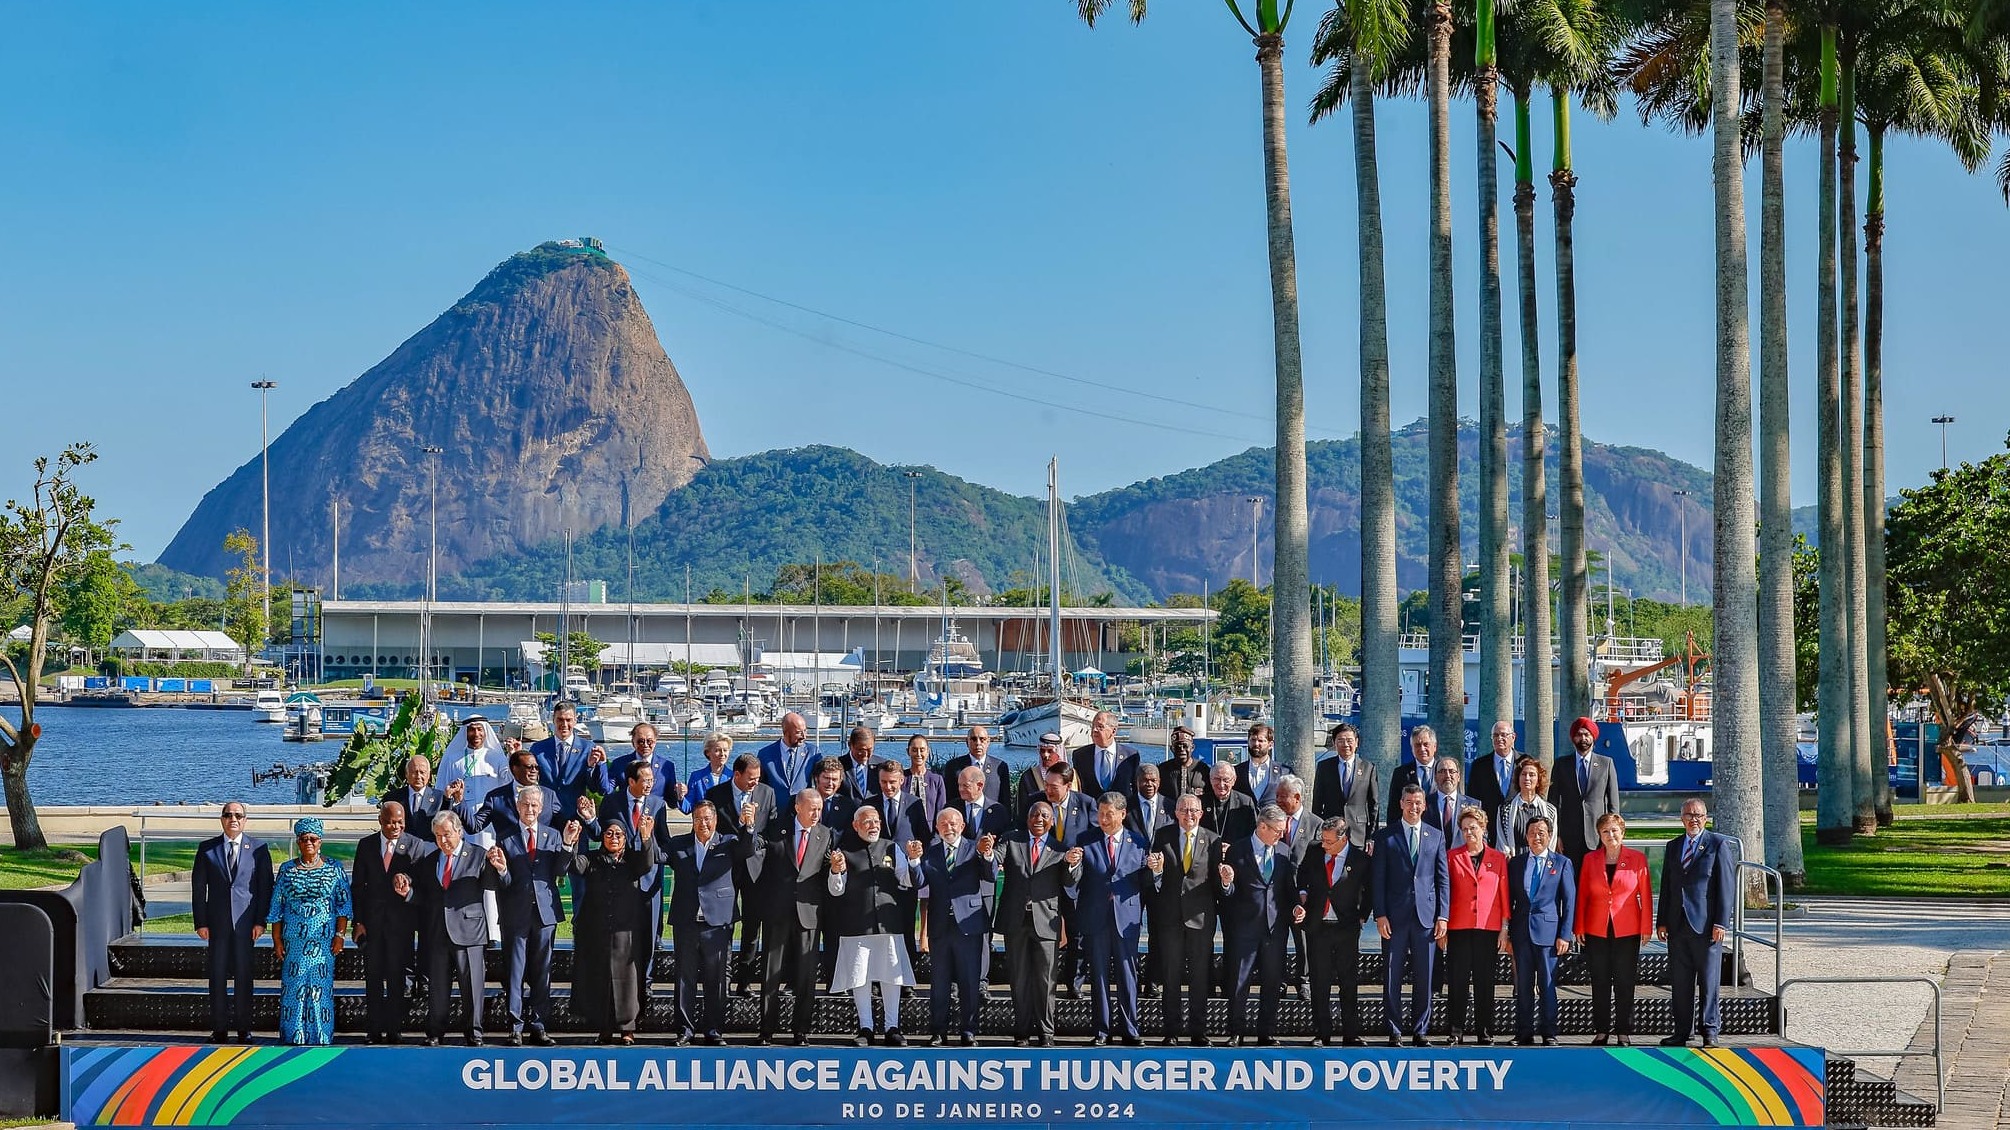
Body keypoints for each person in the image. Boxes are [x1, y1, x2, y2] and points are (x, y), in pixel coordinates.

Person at [399, 811, 505, 1046]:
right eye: (438, 836)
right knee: (437, 987)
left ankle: (474, 1034)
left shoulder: (478, 855)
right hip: (438, 932)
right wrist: (408, 894)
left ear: (459, 831)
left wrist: (499, 868)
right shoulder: (430, 860)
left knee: (472, 988)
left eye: (446, 835)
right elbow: (425, 896)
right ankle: (435, 1032)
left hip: (469, 932)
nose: (443, 840)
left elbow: (493, 885)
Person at [664, 799, 763, 1045]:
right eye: (698, 819)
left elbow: (748, 849)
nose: (703, 823)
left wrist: (749, 826)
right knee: (684, 978)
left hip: (717, 922)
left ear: (715, 820)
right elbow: (657, 855)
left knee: (717, 978)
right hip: (686, 921)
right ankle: (685, 1030)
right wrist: (645, 837)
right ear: (692, 821)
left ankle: (713, 1029)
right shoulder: (679, 844)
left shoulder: (729, 843)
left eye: (708, 818)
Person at [828, 805, 918, 1046]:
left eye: (876, 821)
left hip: (889, 924)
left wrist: (913, 860)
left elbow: (907, 880)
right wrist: (836, 872)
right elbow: (836, 890)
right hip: (856, 925)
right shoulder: (844, 851)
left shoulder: (891, 847)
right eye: (867, 822)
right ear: (856, 825)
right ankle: (865, 1027)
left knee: (891, 976)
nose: (873, 826)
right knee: (860, 977)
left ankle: (892, 1027)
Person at [1067, 793, 1151, 1046]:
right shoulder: (1086, 840)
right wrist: (1072, 865)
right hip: (1096, 917)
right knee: (1099, 976)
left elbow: (1146, 883)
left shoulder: (1139, 842)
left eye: (1108, 814)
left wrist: (1155, 870)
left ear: (1122, 814)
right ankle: (1102, 1030)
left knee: (1128, 975)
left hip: (1126, 919)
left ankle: (1130, 1028)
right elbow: (1074, 879)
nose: (1103, 819)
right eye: (1100, 814)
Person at [495, 789, 577, 1046]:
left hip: (545, 912)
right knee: (515, 971)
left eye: (534, 805)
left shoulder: (552, 835)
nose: (530, 809)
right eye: (525, 805)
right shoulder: (505, 837)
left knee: (543, 972)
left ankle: (539, 1025)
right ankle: (515, 1026)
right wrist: (502, 869)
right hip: (515, 912)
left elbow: (560, 870)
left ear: (541, 808)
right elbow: (505, 882)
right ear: (517, 807)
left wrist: (566, 845)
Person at [1217, 805, 1303, 1046]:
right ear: (1262, 826)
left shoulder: (1283, 852)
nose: (1280, 835)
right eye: (1277, 830)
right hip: (1244, 928)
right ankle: (1236, 1032)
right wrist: (1226, 883)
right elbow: (1229, 892)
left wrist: (1297, 906)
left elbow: (1288, 887)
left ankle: (1267, 1032)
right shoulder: (1238, 849)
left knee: (1273, 982)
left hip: (1275, 928)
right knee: (1239, 983)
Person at [569, 817, 659, 1044]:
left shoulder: (631, 860)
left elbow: (646, 864)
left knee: (627, 982)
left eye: (618, 834)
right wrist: (571, 842)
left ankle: (627, 1028)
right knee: (601, 980)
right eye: (609, 834)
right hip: (597, 931)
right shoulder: (592, 859)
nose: (614, 838)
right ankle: (604, 1027)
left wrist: (646, 838)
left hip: (626, 932)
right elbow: (575, 866)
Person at [755, 789, 835, 1044]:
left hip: (808, 914)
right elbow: (760, 863)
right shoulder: (776, 830)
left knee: (806, 976)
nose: (816, 814)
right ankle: (766, 1030)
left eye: (819, 809)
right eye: (812, 808)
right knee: (771, 974)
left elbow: (824, 872)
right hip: (777, 912)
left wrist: (836, 869)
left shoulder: (825, 834)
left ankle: (801, 1031)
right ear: (798, 807)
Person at [1372, 784, 1449, 1047]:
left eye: (1418, 803)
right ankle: (1394, 1029)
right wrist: (1380, 914)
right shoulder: (1386, 836)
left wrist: (1443, 916)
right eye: (1409, 802)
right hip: (1394, 917)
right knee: (1392, 975)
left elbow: (1442, 880)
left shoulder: (1435, 836)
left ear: (1424, 805)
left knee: (1424, 976)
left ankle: (1420, 1030)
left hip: (1426, 917)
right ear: (1401, 804)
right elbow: (1378, 879)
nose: (1413, 807)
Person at [1657, 798, 1736, 1048]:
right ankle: (1682, 1031)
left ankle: (1710, 1030)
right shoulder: (1673, 846)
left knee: (1708, 981)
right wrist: (1661, 921)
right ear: (1682, 818)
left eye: (1699, 815)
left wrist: (1721, 922)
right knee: (1680, 982)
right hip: (1677, 925)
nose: (1694, 819)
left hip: (1706, 926)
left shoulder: (1717, 844)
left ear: (1706, 818)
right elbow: (1667, 886)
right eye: (1689, 815)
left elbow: (1726, 886)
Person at [192, 801, 273, 1043]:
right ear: (221, 819)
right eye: (228, 815)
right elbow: (198, 890)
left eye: (238, 815)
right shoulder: (207, 849)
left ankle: (244, 1027)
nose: (233, 819)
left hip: (246, 926)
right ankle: (219, 1028)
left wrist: (261, 921)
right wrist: (200, 923)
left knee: (244, 975)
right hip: (216, 925)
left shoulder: (258, 848)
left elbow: (265, 888)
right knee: (216, 976)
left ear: (245, 819)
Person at [268, 818, 350, 1046]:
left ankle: (321, 1036)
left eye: (313, 839)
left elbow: (343, 905)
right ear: (298, 842)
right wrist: (276, 939)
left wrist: (340, 935)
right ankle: (294, 1035)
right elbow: (277, 906)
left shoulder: (334, 868)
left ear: (320, 841)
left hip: (323, 942)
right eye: (303, 839)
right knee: (294, 988)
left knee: (319, 989)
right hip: (294, 941)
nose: (308, 843)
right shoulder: (287, 869)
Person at [705, 753, 780, 996]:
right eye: (750, 778)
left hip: (755, 869)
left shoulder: (766, 793)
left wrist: (752, 838)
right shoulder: (716, 795)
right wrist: (738, 831)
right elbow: (711, 833)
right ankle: (721, 979)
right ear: (736, 775)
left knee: (751, 926)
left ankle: (745, 980)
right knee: (723, 924)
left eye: (758, 778)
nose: (755, 783)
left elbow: (771, 832)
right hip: (725, 868)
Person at [1000, 802, 1075, 1046]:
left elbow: (1069, 883)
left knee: (1046, 981)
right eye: (1034, 814)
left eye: (1044, 815)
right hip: (1016, 921)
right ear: (1027, 818)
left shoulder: (1061, 849)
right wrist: (987, 853)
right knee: (1019, 979)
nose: (1039, 819)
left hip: (1047, 922)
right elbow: (992, 862)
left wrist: (1072, 864)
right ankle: (1021, 1032)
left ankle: (1046, 1033)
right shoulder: (1012, 840)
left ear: (1052, 821)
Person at [920, 808, 996, 1046]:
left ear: (962, 826)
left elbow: (990, 875)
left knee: (970, 981)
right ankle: (938, 1031)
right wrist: (913, 861)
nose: (948, 828)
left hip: (969, 923)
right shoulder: (930, 853)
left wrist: (988, 855)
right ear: (937, 828)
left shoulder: (975, 848)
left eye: (953, 823)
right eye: (943, 824)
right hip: (940, 926)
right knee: (939, 982)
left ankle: (968, 1029)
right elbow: (919, 881)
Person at [596, 760, 672, 992]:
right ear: (631, 781)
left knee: (648, 935)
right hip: (620, 881)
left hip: (649, 882)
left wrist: (649, 845)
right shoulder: (612, 802)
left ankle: (645, 983)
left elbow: (664, 844)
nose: (650, 784)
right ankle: (617, 981)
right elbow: (603, 837)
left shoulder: (658, 804)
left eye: (652, 780)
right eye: (645, 780)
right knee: (619, 935)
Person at [1577, 812, 1652, 1046]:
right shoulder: (1590, 859)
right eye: (1605, 831)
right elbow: (1582, 896)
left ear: (1623, 833)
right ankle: (1601, 1030)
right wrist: (1578, 925)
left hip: (1627, 928)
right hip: (1596, 928)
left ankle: (1623, 1031)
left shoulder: (1637, 859)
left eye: (1614, 831)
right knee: (1599, 980)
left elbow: (1645, 895)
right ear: (1599, 835)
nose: (1610, 835)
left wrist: (1646, 927)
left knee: (1625, 980)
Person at [1150, 794, 1220, 1046]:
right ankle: (1171, 1030)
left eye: (1193, 810)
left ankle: (1198, 1031)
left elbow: (1215, 883)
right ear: (1175, 812)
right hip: (1170, 919)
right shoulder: (1163, 835)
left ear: (1201, 813)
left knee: (1200, 978)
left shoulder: (1213, 840)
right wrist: (1156, 871)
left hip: (1200, 919)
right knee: (1171, 976)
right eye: (1183, 810)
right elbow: (1155, 878)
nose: (1188, 815)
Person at [351, 800, 422, 1043]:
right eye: (391, 822)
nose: (395, 826)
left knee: (397, 980)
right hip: (372, 925)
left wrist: (408, 889)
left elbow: (422, 885)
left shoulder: (414, 845)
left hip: (400, 926)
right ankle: (373, 1030)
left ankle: (394, 1029)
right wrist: (358, 922)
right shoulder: (367, 845)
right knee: (372, 978)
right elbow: (358, 887)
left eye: (400, 822)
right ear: (381, 821)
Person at [1298, 816, 1371, 1046]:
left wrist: (1362, 915)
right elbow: (1302, 875)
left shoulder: (1359, 859)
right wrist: (1302, 895)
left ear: (1344, 839)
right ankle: (1323, 1033)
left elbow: (1370, 889)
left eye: (1329, 842)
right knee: (1320, 982)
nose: (1324, 846)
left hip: (1346, 928)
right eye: (1323, 840)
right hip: (1318, 927)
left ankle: (1351, 1033)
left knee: (1348, 982)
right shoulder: (1314, 851)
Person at [1506, 815, 1575, 1046]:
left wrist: (1565, 935)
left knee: (1547, 986)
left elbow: (1569, 901)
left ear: (1549, 835)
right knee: (1523, 986)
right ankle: (1524, 1032)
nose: (1537, 837)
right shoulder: (1515, 863)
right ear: (1526, 836)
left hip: (1549, 934)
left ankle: (1549, 1032)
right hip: (1521, 933)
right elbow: (1509, 900)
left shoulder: (1561, 863)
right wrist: (1507, 931)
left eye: (1541, 833)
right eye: (1533, 832)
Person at [1442, 806, 1508, 1045]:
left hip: (1487, 928)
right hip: (1458, 927)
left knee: (1485, 982)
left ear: (1483, 828)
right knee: (1458, 981)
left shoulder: (1498, 858)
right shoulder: (1452, 856)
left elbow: (1503, 894)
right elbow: (1445, 893)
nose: (1469, 832)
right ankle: (1455, 1030)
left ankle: (1484, 1031)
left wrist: (1504, 928)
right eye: (1465, 828)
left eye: (1474, 828)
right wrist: (1443, 925)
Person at [1549, 717, 1623, 863]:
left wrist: (1610, 834)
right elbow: (1553, 803)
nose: (1583, 738)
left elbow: (1613, 804)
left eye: (1587, 734)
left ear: (1593, 737)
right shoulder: (1561, 765)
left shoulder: (1606, 763)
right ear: (1573, 738)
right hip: (1569, 838)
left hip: (1597, 836)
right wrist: (1556, 835)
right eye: (1579, 734)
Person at [531, 701, 608, 813]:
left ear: (575, 721)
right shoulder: (538, 749)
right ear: (553, 720)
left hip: (574, 815)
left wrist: (593, 766)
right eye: (560, 720)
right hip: (545, 814)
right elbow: (529, 779)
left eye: (568, 720)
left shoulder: (588, 748)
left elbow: (596, 788)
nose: (564, 724)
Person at [1312, 724, 1377, 846]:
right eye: (1340, 740)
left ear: (1356, 742)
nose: (1345, 744)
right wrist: (1319, 831)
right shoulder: (1324, 767)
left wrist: (1371, 836)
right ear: (1334, 743)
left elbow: (1374, 805)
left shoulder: (1368, 768)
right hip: (1331, 832)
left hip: (1358, 834)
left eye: (1349, 740)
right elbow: (1317, 802)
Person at [597, 722, 679, 803]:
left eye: (649, 741)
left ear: (655, 742)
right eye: (640, 741)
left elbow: (672, 801)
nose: (645, 745)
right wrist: (602, 763)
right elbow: (606, 790)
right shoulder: (619, 764)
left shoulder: (667, 766)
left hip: (655, 814)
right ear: (633, 742)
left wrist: (680, 794)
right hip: (627, 813)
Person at [1497, 756, 1560, 856]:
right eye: (1523, 774)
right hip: (1514, 863)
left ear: (1538, 780)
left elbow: (1551, 841)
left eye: (1532, 775)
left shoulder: (1550, 810)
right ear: (1518, 778)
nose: (1527, 778)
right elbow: (1501, 842)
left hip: (1541, 864)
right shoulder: (1505, 809)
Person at [941, 725, 1010, 814]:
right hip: (961, 820)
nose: (978, 743)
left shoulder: (1000, 767)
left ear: (988, 742)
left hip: (992, 820)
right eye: (973, 739)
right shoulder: (953, 766)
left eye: (982, 739)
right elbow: (948, 797)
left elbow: (1005, 800)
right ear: (967, 742)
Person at [757, 712, 825, 798]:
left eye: (805, 731)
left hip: (802, 809)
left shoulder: (813, 752)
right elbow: (760, 787)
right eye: (798, 732)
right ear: (786, 732)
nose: (804, 736)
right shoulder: (765, 754)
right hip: (775, 809)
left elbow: (821, 779)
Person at [1073, 711, 1140, 796]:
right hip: (1091, 808)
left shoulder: (1130, 756)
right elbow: (1077, 789)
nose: (1094, 730)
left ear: (1113, 731)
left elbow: (1135, 789)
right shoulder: (1080, 756)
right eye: (1093, 726)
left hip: (1121, 807)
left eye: (1100, 727)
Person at [1469, 721, 1520, 831]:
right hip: (1489, 830)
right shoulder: (1479, 766)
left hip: (1518, 828)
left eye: (1503, 735)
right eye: (1495, 735)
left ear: (1513, 737)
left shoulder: (1524, 762)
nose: (1499, 738)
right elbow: (1473, 799)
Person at [1425, 756, 1486, 848]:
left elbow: (1482, 836)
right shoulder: (1424, 804)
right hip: (1433, 860)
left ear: (1458, 777)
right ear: (1435, 777)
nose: (1447, 776)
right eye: (1442, 771)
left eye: (1452, 771)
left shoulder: (1473, 804)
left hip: (1463, 859)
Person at [384, 755, 445, 844]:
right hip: (401, 850)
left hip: (429, 852)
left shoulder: (440, 798)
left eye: (422, 772)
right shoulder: (393, 798)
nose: (418, 776)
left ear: (429, 774)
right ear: (406, 774)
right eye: (414, 772)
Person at [1385, 726, 1435, 825]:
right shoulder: (1401, 773)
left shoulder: (1445, 771)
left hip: (1438, 833)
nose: (1422, 748)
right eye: (1417, 745)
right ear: (1412, 748)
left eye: (1426, 744)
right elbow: (1393, 808)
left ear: (1435, 746)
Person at [1234, 723, 1291, 805]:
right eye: (1253, 740)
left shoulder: (1284, 772)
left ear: (1270, 745)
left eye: (1261, 741)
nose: (1256, 744)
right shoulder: (1237, 771)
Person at [676, 733, 735, 814]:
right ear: (708, 752)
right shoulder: (697, 777)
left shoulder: (733, 777)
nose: (722, 754)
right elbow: (688, 808)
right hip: (702, 824)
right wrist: (681, 796)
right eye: (717, 750)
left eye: (725, 750)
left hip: (726, 826)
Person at [1201, 760, 1256, 843]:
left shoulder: (1245, 802)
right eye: (1217, 779)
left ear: (1234, 780)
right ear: (1210, 779)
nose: (1221, 784)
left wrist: (1233, 848)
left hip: (1236, 852)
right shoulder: (1200, 802)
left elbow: (1252, 833)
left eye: (1226, 780)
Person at [1016, 732, 1071, 815]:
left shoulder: (1073, 776)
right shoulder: (1029, 776)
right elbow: (1021, 810)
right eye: (1042, 751)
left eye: (1050, 751)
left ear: (1059, 752)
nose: (1045, 755)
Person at [954, 765, 1012, 841]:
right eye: (959, 785)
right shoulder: (952, 807)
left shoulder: (998, 810)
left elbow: (1005, 840)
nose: (960, 789)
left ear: (979, 786)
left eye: (966, 786)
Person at [902, 734, 946, 826]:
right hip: (905, 830)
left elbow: (941, 810)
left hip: (930, 833)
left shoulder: (936, 779)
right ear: (908, 751)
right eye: (914, 750)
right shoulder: (901, 778)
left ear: (928, 752)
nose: (918, 754)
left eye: (922, 750)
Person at [1128, 763, 1174, 841]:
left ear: (1159, 782)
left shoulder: (1170, 806)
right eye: (1145, 780)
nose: (1149, 784)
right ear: (1137, 781)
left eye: (1153, 780)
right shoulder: (1126, 806)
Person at [1160, 727, 1210, 798]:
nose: (1181, 749)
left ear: (1192, 747)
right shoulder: (1162, 770)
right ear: (1172, 749)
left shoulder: (1204, 770)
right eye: (1177, 747)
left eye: (1185, 746)